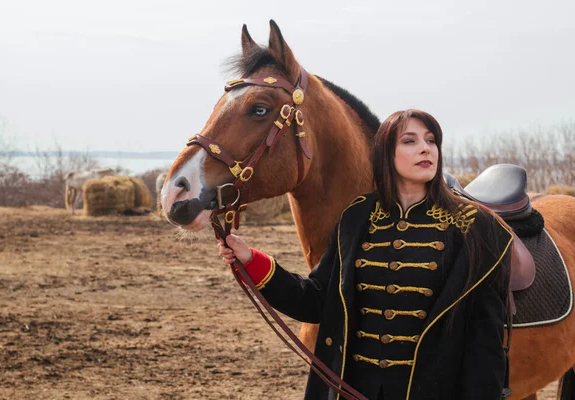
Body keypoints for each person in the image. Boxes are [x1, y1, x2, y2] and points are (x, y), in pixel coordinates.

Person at [217, 109, 513, 400]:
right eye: (410, 141)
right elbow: (317, 300)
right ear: (385, 153)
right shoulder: (358, 215)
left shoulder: (473, 225)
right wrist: (251, 260)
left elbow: (483, 341)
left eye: (431, 140)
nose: (425, 148)